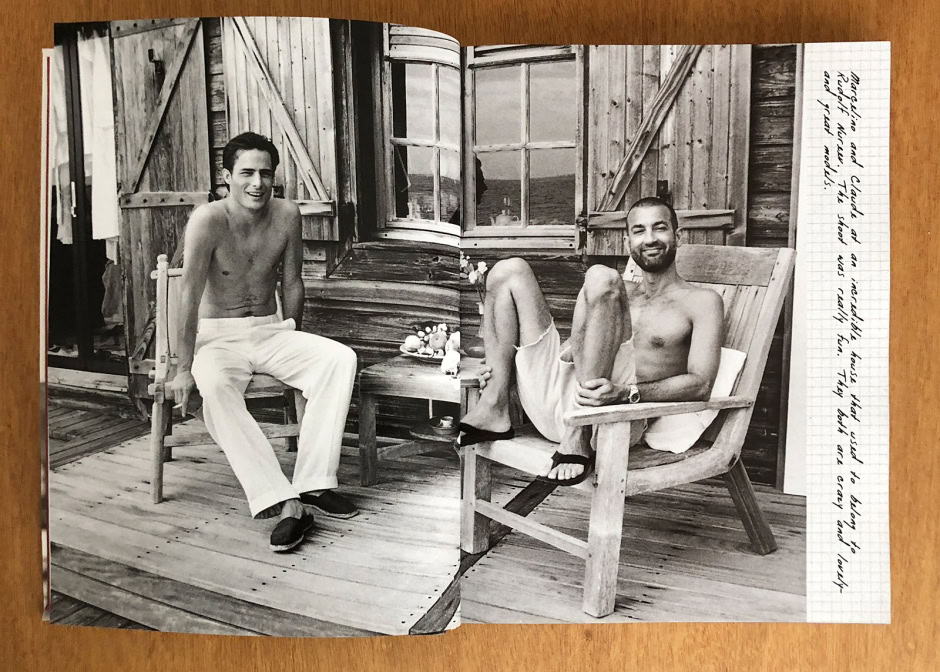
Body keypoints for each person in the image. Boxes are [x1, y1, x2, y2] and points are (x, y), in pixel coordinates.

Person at [170, 132, 359, 552]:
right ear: (227, 177)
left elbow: (293, 282)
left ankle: (313, 482)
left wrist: (294, 336)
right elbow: (188, 295)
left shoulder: (286, 215)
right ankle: (283, 500)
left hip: (272, 330)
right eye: (247, 173)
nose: (257, 183)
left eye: (266, 173)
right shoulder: (208, 219)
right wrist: (183, 369)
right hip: (218, 338)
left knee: (338, 359)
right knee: (214, 386)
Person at [457, 196, 724, 485]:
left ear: (678, 236)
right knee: (508, 271)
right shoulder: (617, 293)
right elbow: (573, 349)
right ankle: (495, 406)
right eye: (639, 231)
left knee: (600, 275)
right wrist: (503, 370)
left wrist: (625, 393)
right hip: (560, 403)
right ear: (628, 242)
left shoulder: (701, 301)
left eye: (659, 228)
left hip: (612, 419)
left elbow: (701, 384)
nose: (649, 239)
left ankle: (579, 433)